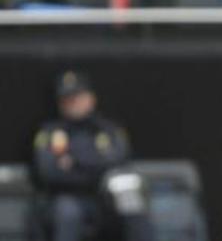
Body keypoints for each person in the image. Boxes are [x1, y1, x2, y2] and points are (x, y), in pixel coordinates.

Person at [32, 71, 152, 241]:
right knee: (67, 211)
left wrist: (75, 161)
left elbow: (120, 163)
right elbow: (48, 172)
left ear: (91, 98)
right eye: (67, 99)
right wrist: (97, 164)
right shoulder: (50, 133)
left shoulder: (108, 130)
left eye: (78, 97)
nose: (73, 103)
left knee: (130, 198)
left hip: (105, 199)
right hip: (66, 199)